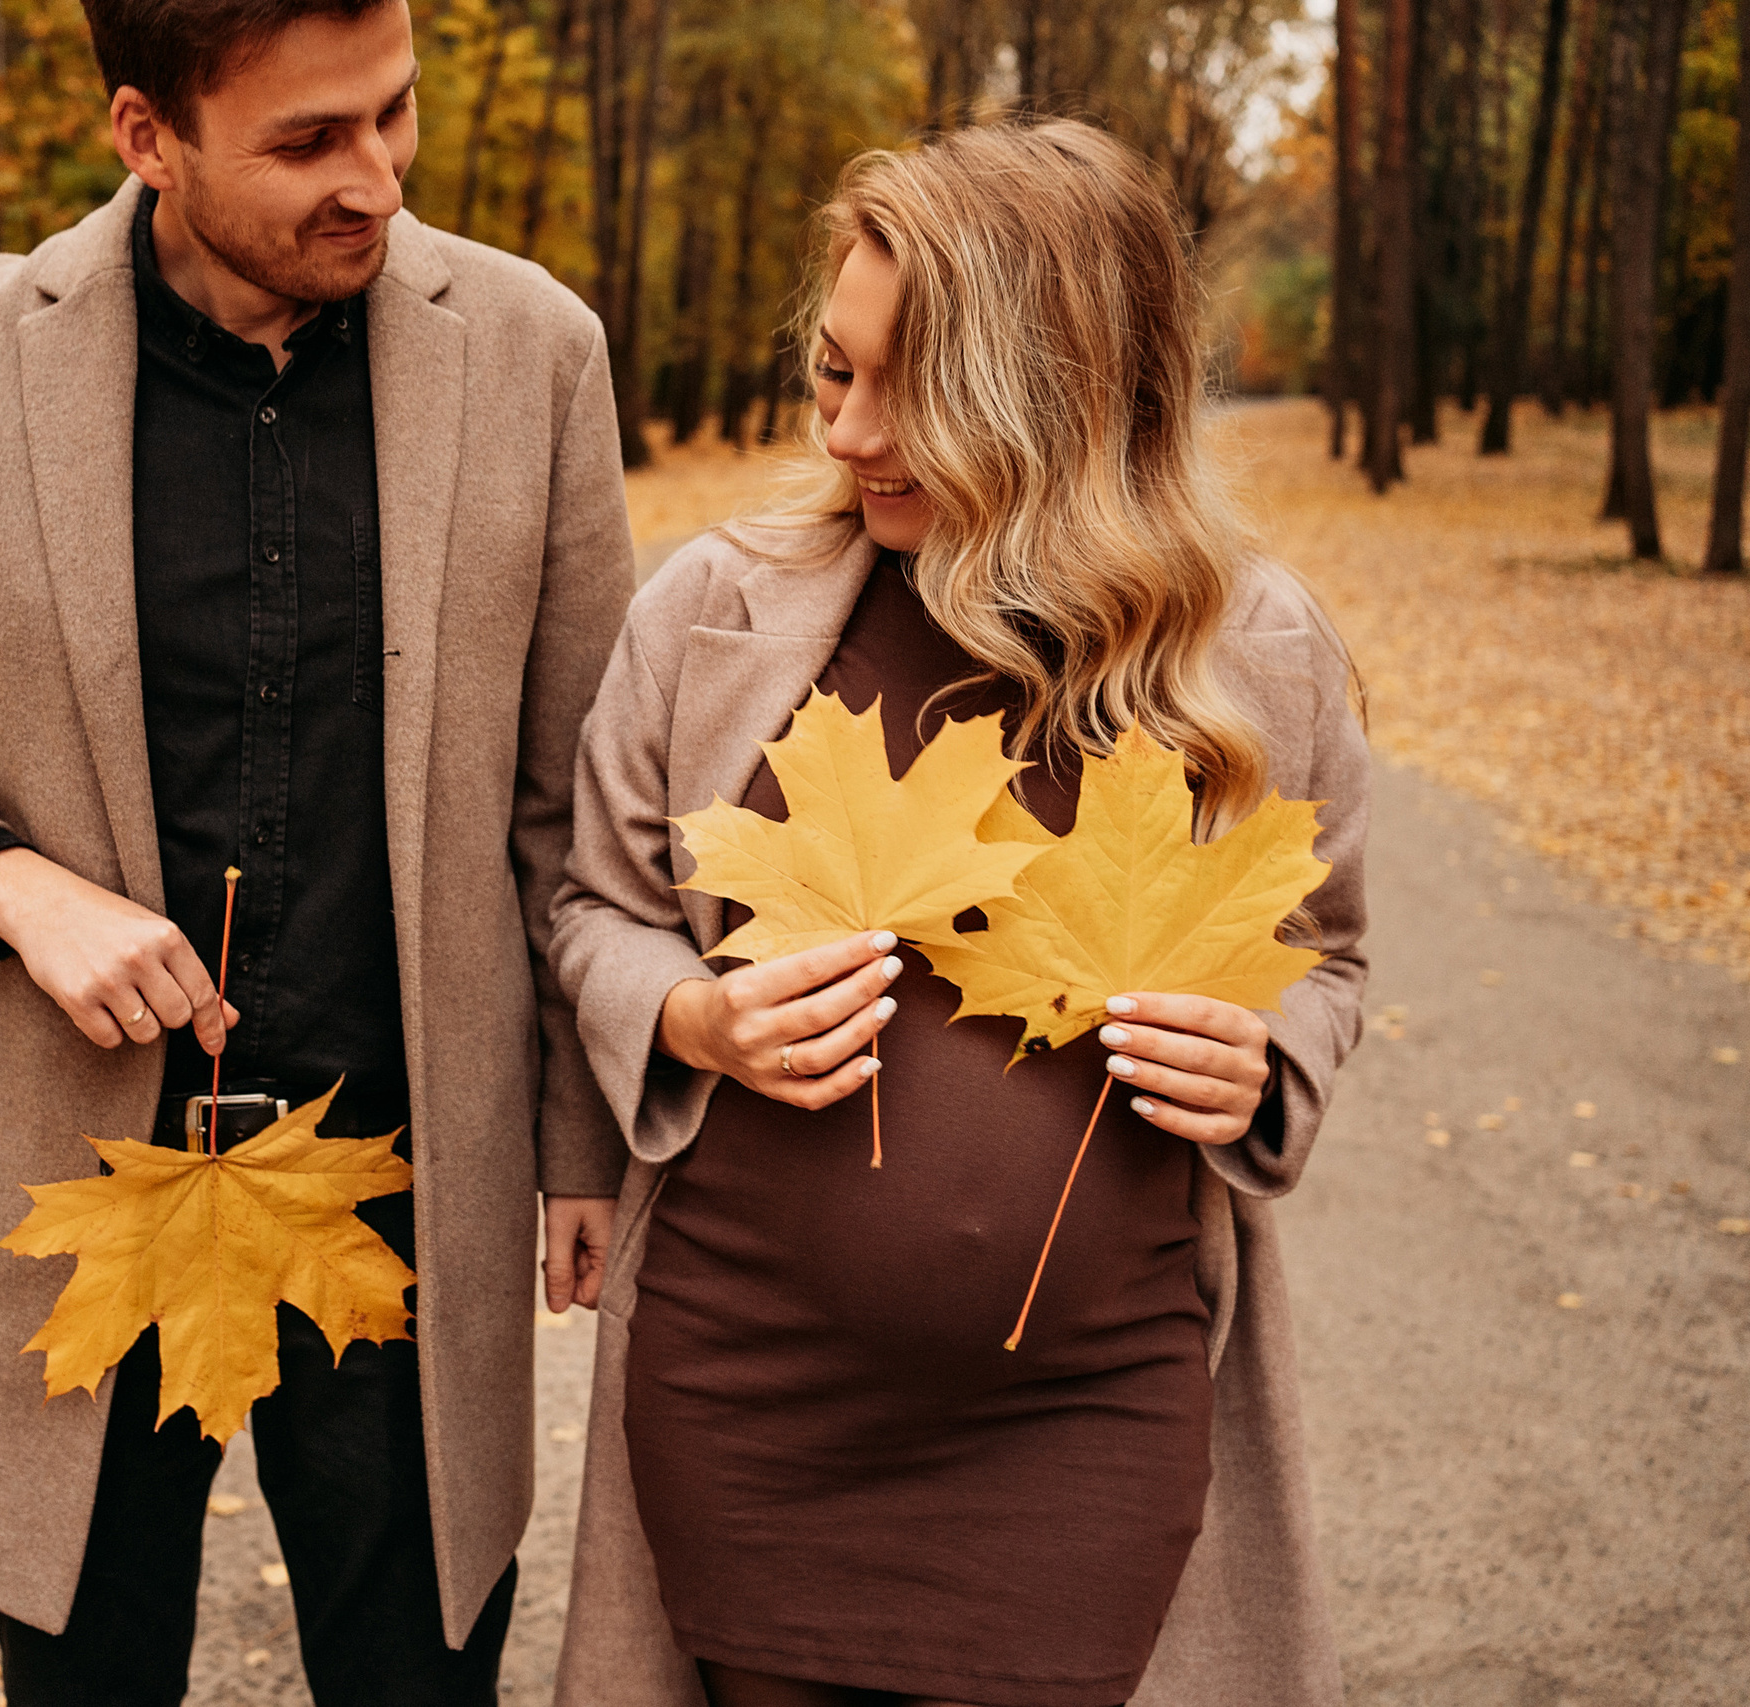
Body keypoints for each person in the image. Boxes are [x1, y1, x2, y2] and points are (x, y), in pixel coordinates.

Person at [0, 2, 636, 1701]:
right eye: (308, 142)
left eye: (395, 114)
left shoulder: (535, 349)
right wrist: (9, 884)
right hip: (76, 1178)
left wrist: (579, 1140)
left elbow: (572, 796)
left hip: (399, 1172)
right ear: (146, 136)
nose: (373, 179)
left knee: (416, 1674)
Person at [545, 122, 1369, 1707]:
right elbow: (597, 909)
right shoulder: (713, 612)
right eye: (831, 374)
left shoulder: (1250, 657)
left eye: (906, 389)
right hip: (747, 1398)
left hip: (1084, 1419)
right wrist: (690, 1015)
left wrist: (1266, 1063)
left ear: (1055, 390)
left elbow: (1325, 959)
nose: (851, 433)